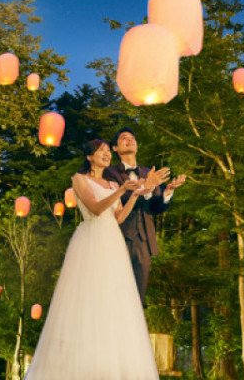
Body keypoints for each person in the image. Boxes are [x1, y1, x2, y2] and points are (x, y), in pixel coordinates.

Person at [24, 139, 165, 380]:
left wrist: (135, 195)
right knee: (87, 300)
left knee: (114, 300)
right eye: (101, 151)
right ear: (89, 156)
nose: (106, 155)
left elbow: (118, 217)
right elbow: (96, 208)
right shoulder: (80, 179)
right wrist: (122, 190)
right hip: (91, 240)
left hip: (113, 243)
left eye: (108, 152)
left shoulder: (111, 182)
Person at [104, 127, 186, 307]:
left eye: (132, 138)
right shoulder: (109, 173)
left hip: (144, 240)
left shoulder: (150, 173)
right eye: (124, 138)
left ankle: (135, 332)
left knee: (138, 294)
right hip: (119, 235)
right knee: (116, 290)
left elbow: (155, 208)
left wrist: (167, 192)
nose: (129, 140)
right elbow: (117, 200)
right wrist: (144, 188)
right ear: (115, 148)